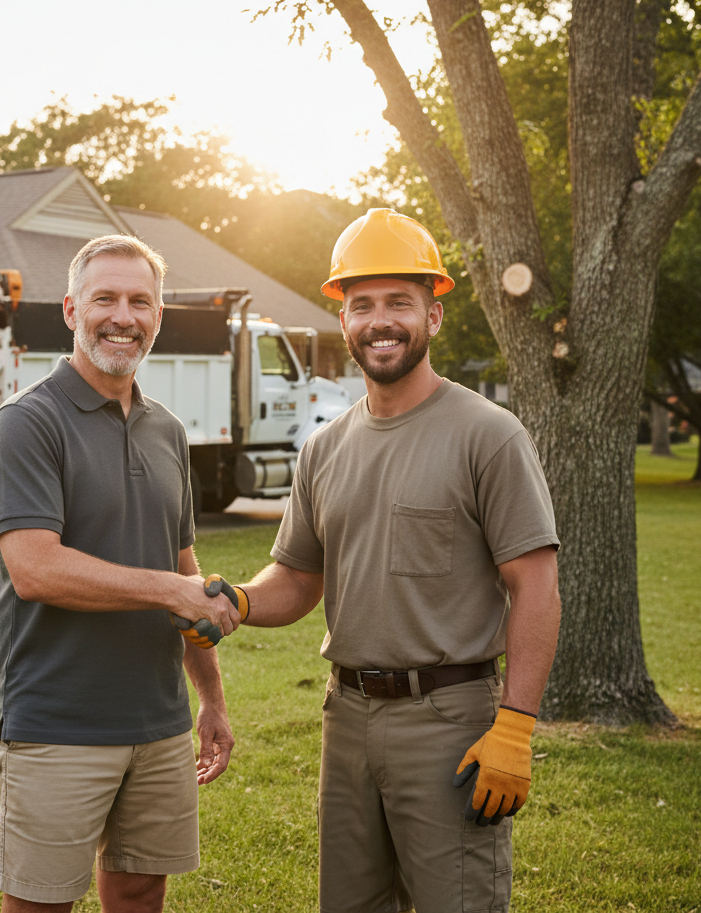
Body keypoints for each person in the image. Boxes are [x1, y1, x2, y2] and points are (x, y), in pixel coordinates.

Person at [209, 209, 562, 912]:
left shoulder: (488, 435)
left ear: (433, 315)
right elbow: (299, 578)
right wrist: (238, 602)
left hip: (450, 719)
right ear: (343, 319)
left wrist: (515, 728)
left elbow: (536, 585)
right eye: (361, 304)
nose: (380, 321)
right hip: (346, 717)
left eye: (399, 302)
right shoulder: (324, 447)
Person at [0, 234, 240, 913]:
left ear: (158, 317)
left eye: (139, 301)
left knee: (139, 894)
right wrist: (172, 590)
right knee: (40, 904)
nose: (122, 315)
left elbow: (183, 568)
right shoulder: (27, 423)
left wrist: (209, 699)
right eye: (105, 299)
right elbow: (36, 569)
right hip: (55, 721)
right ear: (71, 310)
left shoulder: (167, 431)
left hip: (157, 722)